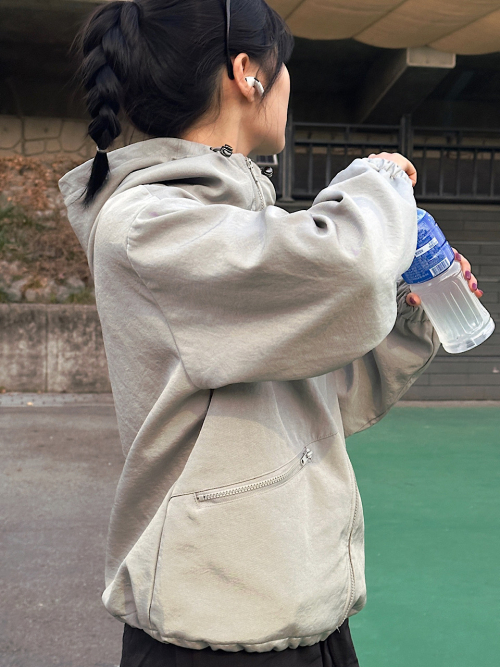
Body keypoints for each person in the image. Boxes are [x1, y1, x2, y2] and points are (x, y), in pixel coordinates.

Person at [58, 0, 483, 664]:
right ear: (247, 73)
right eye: (284, 66)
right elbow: (350, 260)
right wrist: (377, 179)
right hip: (216, 629)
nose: (289, 84)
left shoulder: (243, 225)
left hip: (302, 607)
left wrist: (414, 313)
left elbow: (329, 397)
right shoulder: (149, 225)